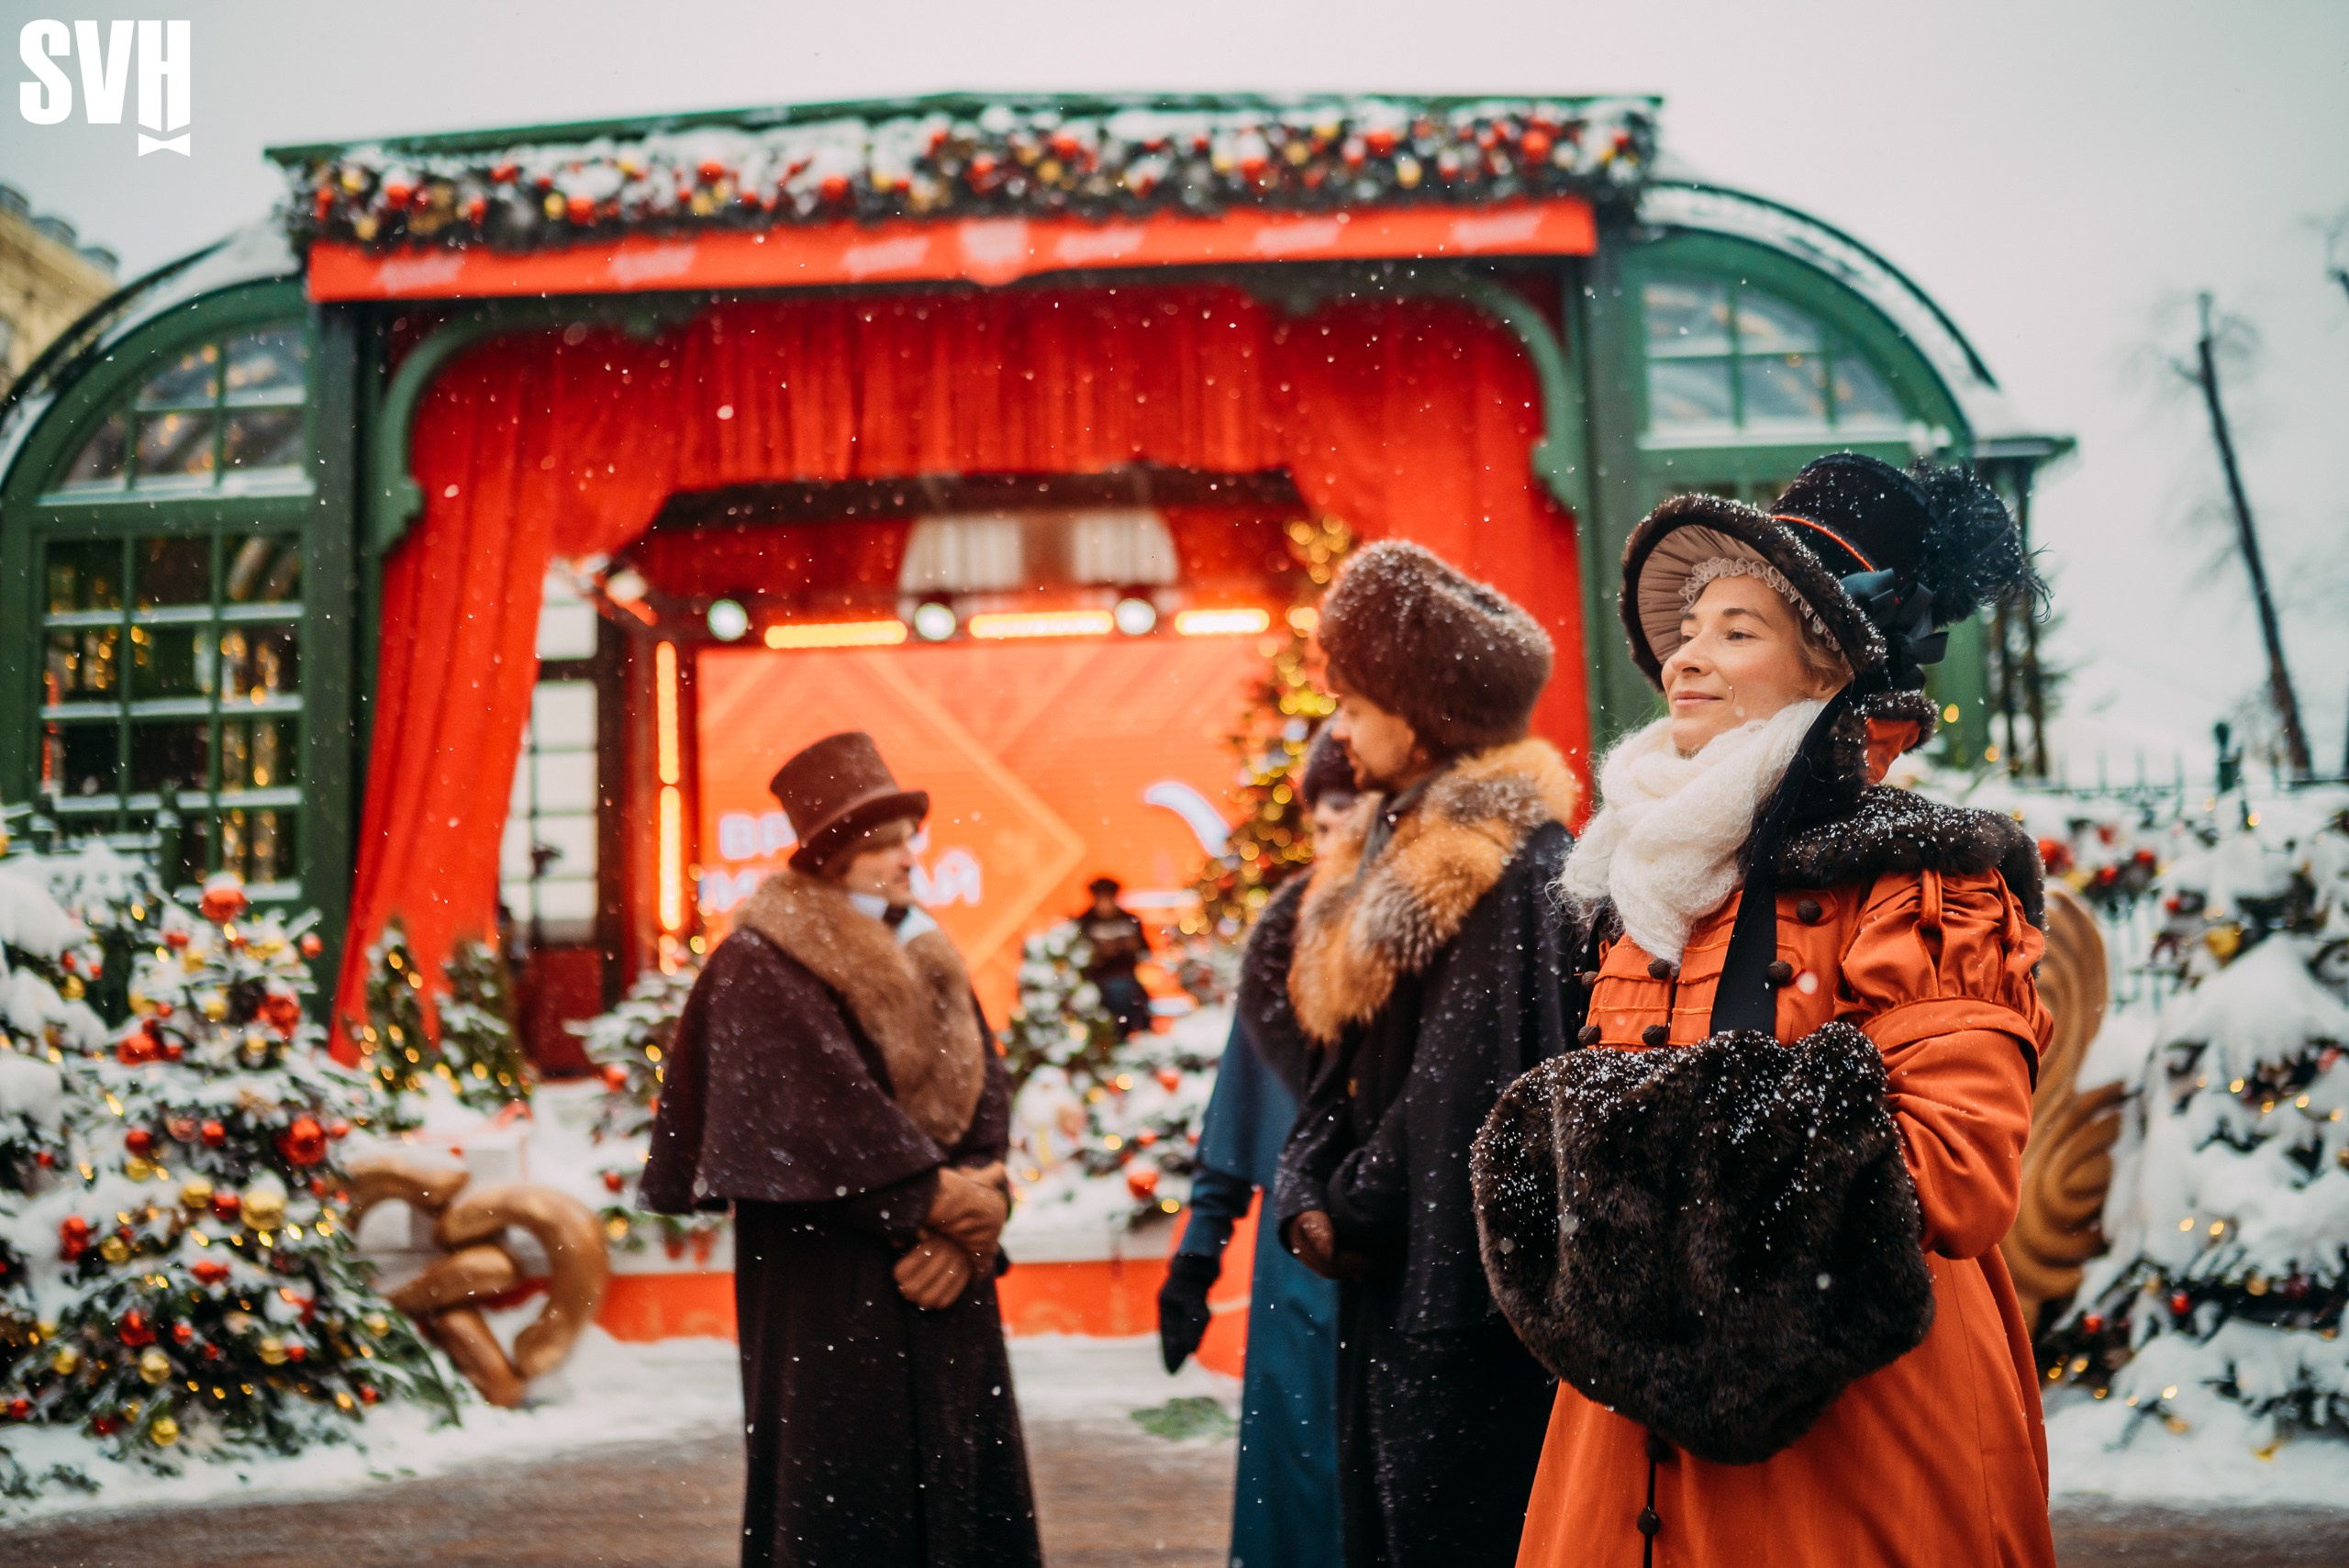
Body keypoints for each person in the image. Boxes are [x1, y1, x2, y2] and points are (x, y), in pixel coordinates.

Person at [1473, 453, 2059, 1567]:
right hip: (1627, 1432)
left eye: (1736, 630)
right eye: (1689, 626)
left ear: (1830, 667)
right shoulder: (1650, 879)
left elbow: (1961, 1173)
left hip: (1856, 1433)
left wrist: (1636, 1151)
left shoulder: (1924, 878)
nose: (1684, 654)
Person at [640, 730, 1042, 1568]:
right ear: (831, 858)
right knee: (848, 1500)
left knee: (962, 1494)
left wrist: (974, 1214)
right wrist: (933, 1203)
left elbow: (983, 1088)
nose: (907, 858)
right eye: (883, 844)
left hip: (943, 1281)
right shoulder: (758, 962)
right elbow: (809, 1116)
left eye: (907, 840)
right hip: (832, 1285)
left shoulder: (925, 945)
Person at [1267, 541, 1582, 1568]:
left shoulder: (1516, 865)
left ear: (1421, 709)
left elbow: (1463, 1082)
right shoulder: (1383, 843)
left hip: (1454, 1298)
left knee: (1450, 1530)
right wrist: (1307, 1173)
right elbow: (1336, 1055)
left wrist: (1348, 1195)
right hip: (1395, 1282)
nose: (1341, 729)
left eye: (1356, 705)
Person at [1157, 728, 1357, 1568]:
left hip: (1406, 1262)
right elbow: (1240, 1109)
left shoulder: (1442, 942)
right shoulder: (1285, 947)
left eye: (1351, 816)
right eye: (1321, 823)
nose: (1334, 842)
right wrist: (1198, 1253)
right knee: (1301, 1492)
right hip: (1297, 1269)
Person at [1076, 875, 1154, 1037]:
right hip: (1098, 982)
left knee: (1132, 997)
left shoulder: (1128, 921)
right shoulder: (1085, 923)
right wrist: (1098, 953)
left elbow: (1145, 953)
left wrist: (1131, 947)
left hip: (1128, 978)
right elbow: (1079, 957)